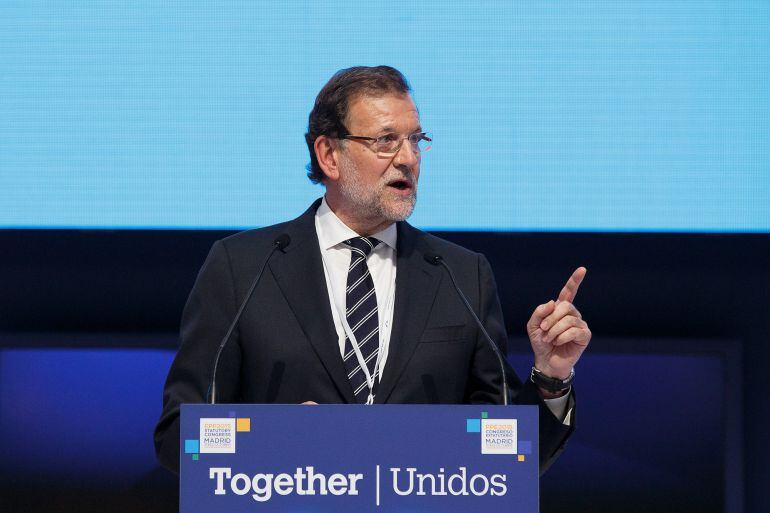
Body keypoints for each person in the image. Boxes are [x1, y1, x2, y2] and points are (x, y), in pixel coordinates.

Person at [154, 66, 591, 475]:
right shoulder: (243, 267)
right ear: (329, 155)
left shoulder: (460, 275)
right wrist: (270, 437)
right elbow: (180, 435)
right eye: (386, 141)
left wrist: (551, 377)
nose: (409, 159)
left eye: (416, 140)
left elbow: (508, 456)